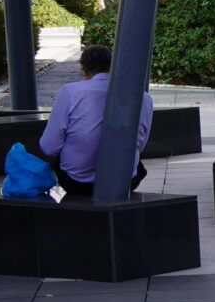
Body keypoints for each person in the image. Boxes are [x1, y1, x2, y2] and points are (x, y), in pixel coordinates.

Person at [39, 44, 152, 198]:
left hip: (77, 181)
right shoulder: (143, 96)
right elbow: (140, 144)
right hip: (125, 181)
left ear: (83, 70)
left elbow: (49, 146)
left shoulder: (70, 92)